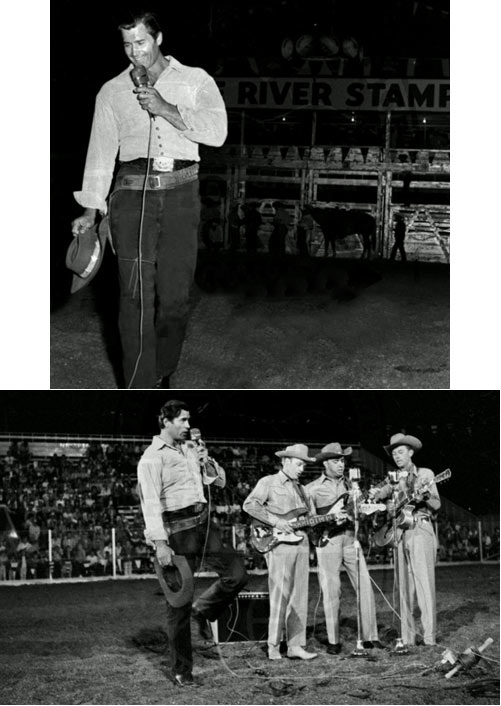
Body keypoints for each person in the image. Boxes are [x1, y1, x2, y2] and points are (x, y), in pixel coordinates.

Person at [71, 11, 227, 389]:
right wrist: (90, 209)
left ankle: (162, 370)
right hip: (131, 196)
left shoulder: (195, 80)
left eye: (140, 42)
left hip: (181, 194)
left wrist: (166, 109)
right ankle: (138, 384)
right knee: (135, 295)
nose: (133, 52)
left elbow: (218, 133)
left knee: (174, 299)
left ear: (158, 38)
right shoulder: (111, 91)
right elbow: (100, 152)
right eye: (126, 44)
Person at [137, 400, 247, 686]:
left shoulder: (191, 448)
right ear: (165, 421)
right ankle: (181, 671)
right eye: (183, 421)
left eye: (189, 421)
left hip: (204, 525)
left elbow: (218, 482)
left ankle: (205, 610)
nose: (188, 426)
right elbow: (149, 503)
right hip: (176, 532)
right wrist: (160, 544)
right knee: (179, 604)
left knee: (237, 574)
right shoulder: (151, 457)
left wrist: (205, 459)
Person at [243, 443, 318, 661]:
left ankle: (295, 645)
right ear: (285, 461)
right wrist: (276, 521)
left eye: (304, 464)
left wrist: (331, 518)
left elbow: (311, 518)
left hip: (301, 542)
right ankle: (273, 645)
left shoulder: (303, 490)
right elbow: (250, 505)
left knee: (299, 596)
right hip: (279, 545)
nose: (301, 468)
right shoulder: (268, 482)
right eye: (298, 464)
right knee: (280, 595)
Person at [306, 443, 383, 655]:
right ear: (325, 464)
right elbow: (308, 520)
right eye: (336, 461)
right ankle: (333, 640)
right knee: (332, 591)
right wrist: (329, 519)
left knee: (365, 586)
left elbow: (361, 513)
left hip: (351, 539)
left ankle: (370, 637)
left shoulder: (352, 486)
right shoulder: (312, 489)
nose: (341, 464)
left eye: (342, 460)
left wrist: (367, 505)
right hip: (328, 542)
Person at [372, 433, 440, 646]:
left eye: (400, 451)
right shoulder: (391, 478)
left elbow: (437, 505)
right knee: (403, 587)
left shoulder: (425, 474)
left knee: (424, 585)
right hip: (399, 533)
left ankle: (429, 637)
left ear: (410, 452)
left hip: (420, 529)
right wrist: (377, 496)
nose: (397, 456)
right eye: (394, 453)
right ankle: (408, 637)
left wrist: (425, 496)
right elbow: (378, 494)